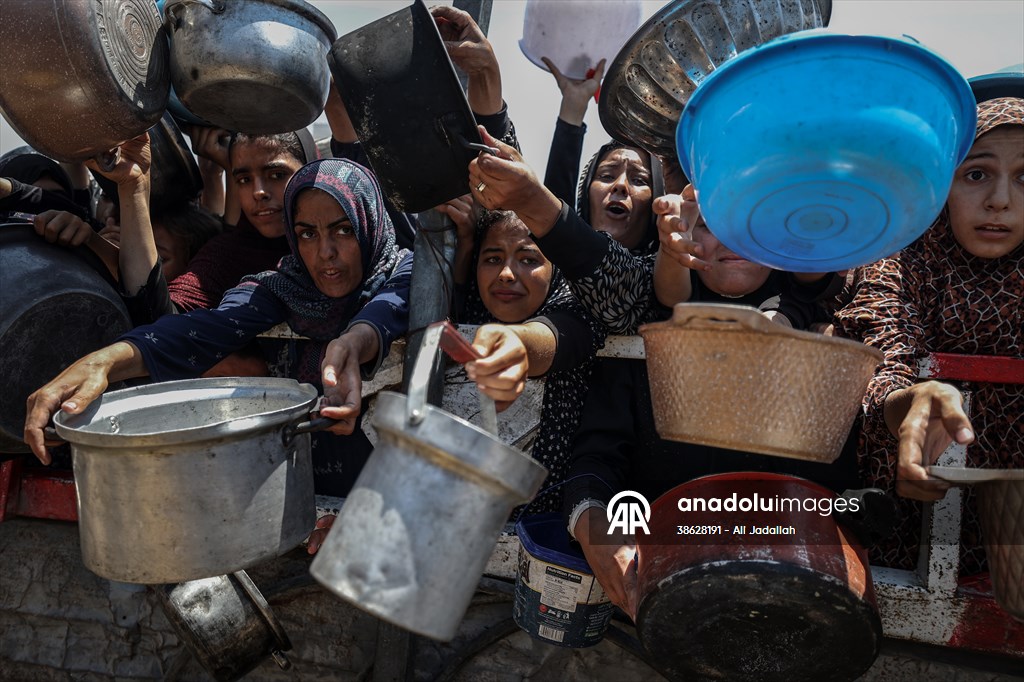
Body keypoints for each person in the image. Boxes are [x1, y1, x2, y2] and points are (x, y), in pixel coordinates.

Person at [24, 158, 414, 502]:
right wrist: (104, 363)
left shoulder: (409, 271)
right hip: (309, 499)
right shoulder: (282, 286)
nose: (325, 252)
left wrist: (352, 342)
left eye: (343, 230)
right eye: (308, 233)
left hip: (395, 503)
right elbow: (201, 329)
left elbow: (388, 308)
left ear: (368, 221)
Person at [832, 96, 1023, 576]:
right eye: (976, 174)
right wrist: (908, 400)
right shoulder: (899, 256)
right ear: (940, 183)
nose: (1000, 199)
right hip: (896, 546)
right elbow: (882, 340)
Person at [451, 209, 604, 511]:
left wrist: (517, 344)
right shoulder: (466, 310)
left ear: (555, 268)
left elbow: (558, 334)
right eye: (492, 259)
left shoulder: (581, 311)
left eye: (528, 259)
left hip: (545, 533)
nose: (506, 274)